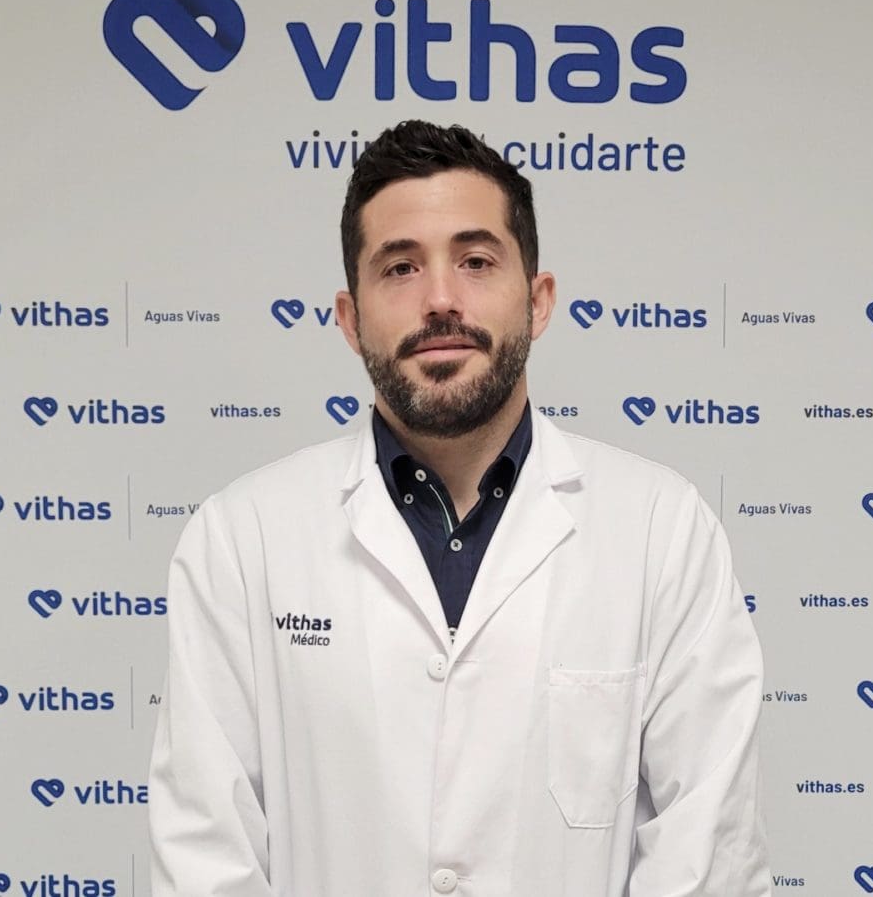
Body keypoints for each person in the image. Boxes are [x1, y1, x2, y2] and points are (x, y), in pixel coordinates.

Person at [148, 120, 771, 896]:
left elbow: (708, 859)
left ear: (537, 301)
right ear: (351, 319)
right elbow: (205, 859)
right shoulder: (241, 540)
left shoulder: (662, 531)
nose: (440, 299)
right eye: (400, 267)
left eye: (476, 261)